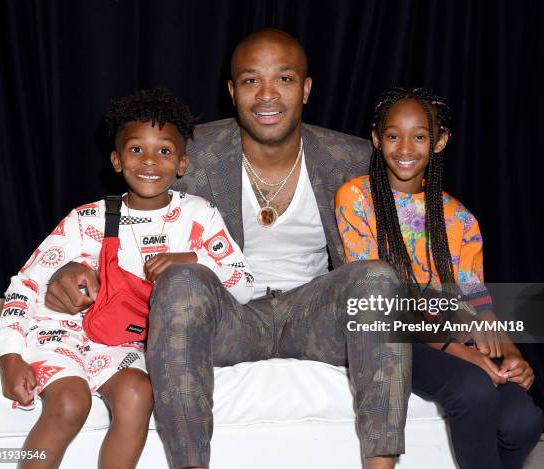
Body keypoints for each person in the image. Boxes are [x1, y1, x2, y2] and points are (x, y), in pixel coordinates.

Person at [44, 30, 410, 469]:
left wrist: (467, 323)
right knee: (182, 278)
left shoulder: (350, 158)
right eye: (252, 81)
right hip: (227, 316)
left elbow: (422, 236)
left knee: (377, 277)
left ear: (306, 89)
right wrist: (71, 268)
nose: (267, 95)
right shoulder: (189, 154)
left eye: (285, 79)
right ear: (233, 91)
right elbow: (129, 218)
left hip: (314, 314)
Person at [0, 88, 254, 469]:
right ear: (117, 160)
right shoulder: (86, 219)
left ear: (182, 163)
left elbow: (244, 285)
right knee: (70, 403)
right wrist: (10, 355)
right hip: (62, 332)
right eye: (136, 150)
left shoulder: (199, 215)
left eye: (164, 151)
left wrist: (195, 261)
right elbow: (26, 284)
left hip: (122, 341)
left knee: (137, 394)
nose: (150, 160)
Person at [335, 87, 544, 469]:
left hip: (455, 331)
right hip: (392, 334)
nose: (405, 147)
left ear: (439, 142)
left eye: (419, 136)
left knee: (523, 420)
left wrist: (512, 354)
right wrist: (456, 350)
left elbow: (477, 301)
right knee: (472, 389)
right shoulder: (356, 198)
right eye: (393, 135)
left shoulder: (460, 219)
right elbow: (373, 292)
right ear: (376, 138)